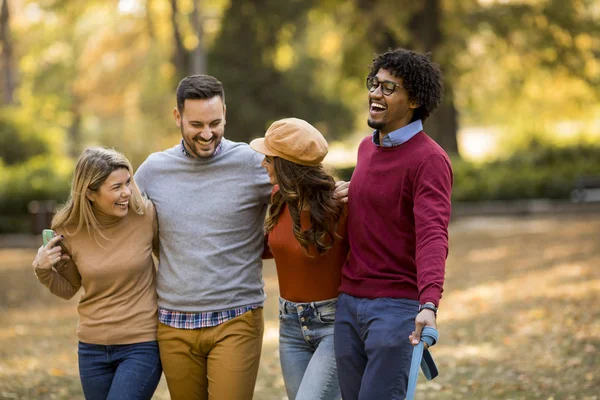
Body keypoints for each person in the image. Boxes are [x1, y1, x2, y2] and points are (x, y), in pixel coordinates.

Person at [333, 48, 453, 399]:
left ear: (414, 99)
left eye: (389, 88)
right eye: (375, 84)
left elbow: (433, 235)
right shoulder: (366, 149)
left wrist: (429, 304)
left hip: (395, 311)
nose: (375, 94)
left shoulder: (430, 160)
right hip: (349, 306)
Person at [32, 147, 162, 400]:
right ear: (90, 193)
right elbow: (69, 288)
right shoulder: (67, 228)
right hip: (92, 350)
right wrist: (43, 270)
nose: (127, 193)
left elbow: (171, 260)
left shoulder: (145, 215)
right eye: (116, 187)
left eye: (128, 182)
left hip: (141, 344)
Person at [250, 118, 348, 400]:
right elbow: (278, 247)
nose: (263, 165)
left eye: (269, 159)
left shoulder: (339, 204)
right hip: (290, 325)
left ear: (286, 165)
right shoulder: (279, 197)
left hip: (333, 325)